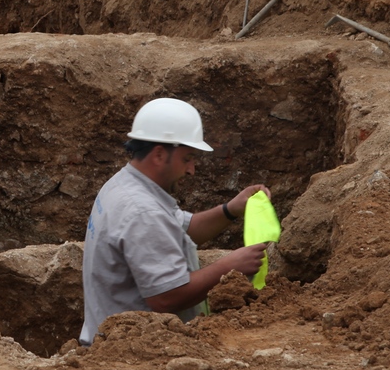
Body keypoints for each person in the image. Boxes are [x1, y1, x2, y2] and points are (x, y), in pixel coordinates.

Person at [79, 97, 271, 345]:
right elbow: (166, 297)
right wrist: (230, 267)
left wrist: (230, 210)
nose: (191, 169)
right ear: (159, 154)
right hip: (135, 354)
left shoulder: (125, 184)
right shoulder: (142, 211)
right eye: (187, 158)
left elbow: (183, 229)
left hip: (121, 344)